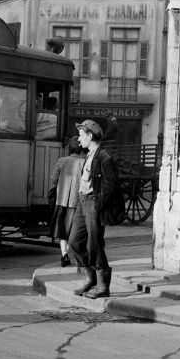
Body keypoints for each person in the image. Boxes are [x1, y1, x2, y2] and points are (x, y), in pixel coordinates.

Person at [68, 119, 121, 299]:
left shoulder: (104, 158)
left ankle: (103, 286)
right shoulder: (88, 155)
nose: (79, 139)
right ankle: (90, 278)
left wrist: (97, 206)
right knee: (74, 242)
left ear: (90, 136)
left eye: (82, 136)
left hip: (93, 204)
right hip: (83, 204)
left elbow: (110, 186)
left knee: (95, 245)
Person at [48, 136, 86, 266]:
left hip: (62, 201)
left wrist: (54, 192)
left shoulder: (61, 161)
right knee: (73, 231)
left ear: (69, 149)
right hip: (77, 203)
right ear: (81, 149)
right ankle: (72, 254)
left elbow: (53, 180)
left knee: (62, 230)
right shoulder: (84, 162)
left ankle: (64, 254)